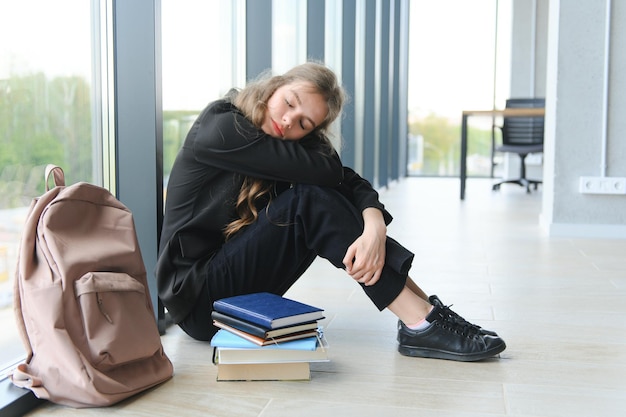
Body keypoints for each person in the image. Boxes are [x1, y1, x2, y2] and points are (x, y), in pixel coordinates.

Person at [156, 62, 506, 362]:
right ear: (274, 86)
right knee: (308, 201)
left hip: (234, 293)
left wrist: (374, 225)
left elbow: (345, 181)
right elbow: (329, 173)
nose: (289, 120)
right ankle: (421, 322)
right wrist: (365, 214)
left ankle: (424, 311)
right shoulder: (220, 125)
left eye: (305, 124)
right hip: (199, 302)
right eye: (290, 102)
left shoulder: (281, 146)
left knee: (315, 196)